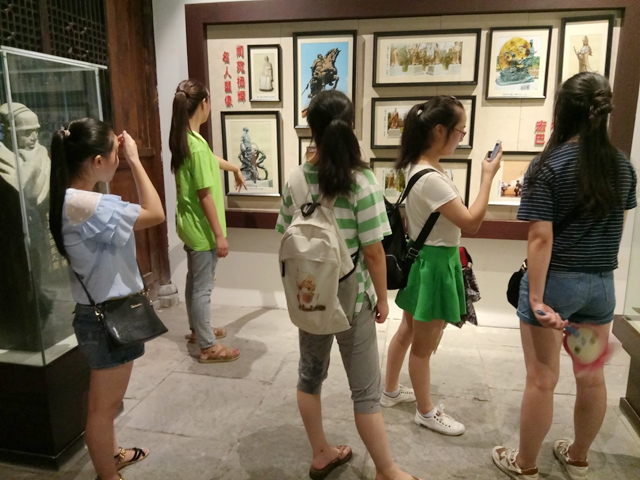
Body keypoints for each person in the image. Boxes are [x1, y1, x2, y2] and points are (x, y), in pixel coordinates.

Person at [492, 72, 637, 480]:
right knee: (591, 375)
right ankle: (577, 457)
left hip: (556, 284)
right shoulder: (622, 166)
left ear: (563, 111)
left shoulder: (548, 165)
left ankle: (525, 464)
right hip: (600, 286)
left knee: (542, 378)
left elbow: (541, 238)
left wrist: (537, 299)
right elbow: (617, 226)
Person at [276, 90, 421, 480]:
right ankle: (386, 470)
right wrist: (383, 301)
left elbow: (285, 233)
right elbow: (373, 252)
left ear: (312, 128)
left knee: (309, 376)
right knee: (365, 392)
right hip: (352, 296)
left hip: (309, 295)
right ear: (350, 125)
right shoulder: (361, 181)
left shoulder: (295, 179)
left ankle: (320, 453)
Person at [49, 118, 166, 480]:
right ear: (97, 162)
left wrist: (126, 155)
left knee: (107, 404)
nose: (119, 156)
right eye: (115, 152)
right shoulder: (85, 203)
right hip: (106, 318)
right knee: (103, 409)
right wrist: (136, 160)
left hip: (102, 314)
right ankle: (108, 474)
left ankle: (111, 455)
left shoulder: (75, 199)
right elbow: (156, 213)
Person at [382, 96, 502, 436]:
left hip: (424, 260)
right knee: (423, 348)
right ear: (439, 130)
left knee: (408, 331)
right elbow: (471, 222)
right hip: (434, 265)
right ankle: (426, 412)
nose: (461, 137)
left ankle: (390, 391)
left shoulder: (420, 167)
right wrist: (487, 177)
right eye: (460, 131)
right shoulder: (432, 177)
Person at [169, 79, 245, 363]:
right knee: (203, 288)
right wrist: (219, 235)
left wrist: (234, 167)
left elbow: (211, 160)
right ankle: (208, 347)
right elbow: (205, 195)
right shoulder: (196, 146)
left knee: (194, 282)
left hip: (189, 227)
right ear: (203, 104)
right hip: (202, 232)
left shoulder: (188, 140)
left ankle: (197, 330)